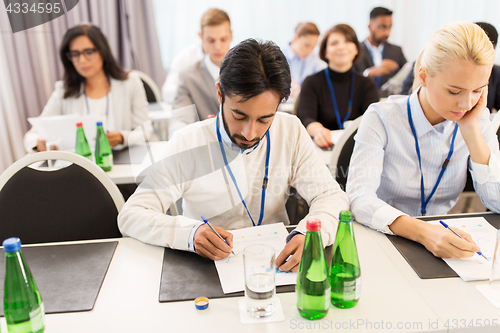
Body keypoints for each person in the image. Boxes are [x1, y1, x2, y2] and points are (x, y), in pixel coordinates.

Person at [118, 39, 349, 272]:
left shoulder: (290, 130)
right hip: (205, 267)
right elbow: (131, 215)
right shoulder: (188, 142)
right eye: (239, 116)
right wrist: (189, 233)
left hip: (276, 265)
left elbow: (332, 197)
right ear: (220, 93)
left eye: (264, 119)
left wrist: (312, 234)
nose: (250, 133)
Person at [346, 22, 500, 259]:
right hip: (384, 238)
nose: (467, 104)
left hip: (443, 244)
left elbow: (497, 202)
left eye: (478, 91)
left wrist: (471, 132)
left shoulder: (477, 121)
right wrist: (425, 233)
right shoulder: (382, 117)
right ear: (424, 76)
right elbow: (359, 198)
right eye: (454, 91)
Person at [23, 24, 149, 153]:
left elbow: (146, 132)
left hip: (122, 163)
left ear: (103, 51)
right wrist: (38, 143)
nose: (82, 60)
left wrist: (122, 137)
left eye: (89, 52)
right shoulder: (64, 90)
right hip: (80, 166)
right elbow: (32, 135)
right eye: (75, 54)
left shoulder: (130, 83)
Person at [297, 24, 379, 149]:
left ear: (356, 49)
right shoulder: (311, 82)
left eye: (348, 41)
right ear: (325, 51)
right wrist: (317, 130)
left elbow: (374, 121)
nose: (341, 47)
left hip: (358, 149)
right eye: (334, 43)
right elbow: (305, 117)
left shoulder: (367, 84)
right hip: (322, 149)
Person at [169, 8, 233, 136]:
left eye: (223, 39)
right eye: (211, 40)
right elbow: (180, 120)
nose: (217, 47)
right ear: (201, 37)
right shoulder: (188, 77)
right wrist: (182, 137)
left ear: (231, 36)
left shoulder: (249, 71)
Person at [353, 7, 406, 95]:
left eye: (390, 27)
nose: (387, 33)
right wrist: (369, 73)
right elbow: (348, 79)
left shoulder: (397, 51)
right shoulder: (355, 50)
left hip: (390, 102)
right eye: (382, 27)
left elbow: (408, 76)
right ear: (370, 27)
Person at [281, 22, 327, 89]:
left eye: (313, 47)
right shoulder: (278, 55)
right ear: (296, 38)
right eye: (307, 45)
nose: (309, 51)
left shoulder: (315, 58)